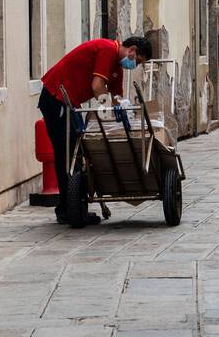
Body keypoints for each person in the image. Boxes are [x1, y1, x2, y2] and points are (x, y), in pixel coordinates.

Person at [38, 35, 153, 225]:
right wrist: (108, 114)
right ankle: (69, 210)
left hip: (69, 102)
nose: (136, 65)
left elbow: (116, 96)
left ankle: (72, 208)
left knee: (76, 151)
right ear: (132, 50)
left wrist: (123, 110)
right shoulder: (107, 49)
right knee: (68, 152)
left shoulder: (117, 66)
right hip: (55, 97)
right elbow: (97, 86)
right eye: (138, 61)